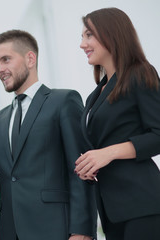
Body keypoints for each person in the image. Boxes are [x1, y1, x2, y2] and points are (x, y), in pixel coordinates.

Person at [0, 29, 97, 239]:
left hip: (56, 228)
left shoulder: (63, 101)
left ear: (30, 58)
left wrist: (82, 230)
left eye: (5, 60)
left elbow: (81, 170)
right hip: (10, 230)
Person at [75, 7, 160, 240]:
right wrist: (90, 165)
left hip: (141, 204)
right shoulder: (96, 94)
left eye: (88, 35)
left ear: (111, 34)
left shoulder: (140, 73)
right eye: (82, 37)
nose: (82, 44)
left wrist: (108, 153)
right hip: (112, 210)